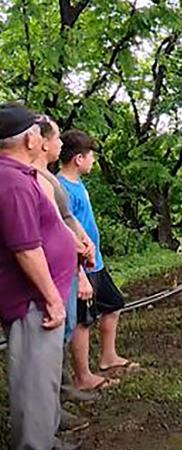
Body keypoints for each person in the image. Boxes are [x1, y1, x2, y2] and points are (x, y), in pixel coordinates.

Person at [0, 103, 80, 450]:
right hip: (32, 302)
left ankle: (46, 439)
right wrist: (51, 298)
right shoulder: (12, 182)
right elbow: (25, 248)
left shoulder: (20, 175)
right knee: (33, 380)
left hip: (40, 299)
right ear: (31, 139)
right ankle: (34, 445)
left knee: (43, 376)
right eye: (40, 131)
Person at [32, 116, 97, 433]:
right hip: (55, 273)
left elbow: (67, 218)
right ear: (40, 141)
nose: (60, 143)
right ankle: (48, 416)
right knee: (46, 345)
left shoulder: (47, 177)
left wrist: (82, 241)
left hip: (66, 270)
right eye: (56, 138)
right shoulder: (32, 179)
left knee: (66, 329)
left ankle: (59, 396)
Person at [58, 130, 135, 391]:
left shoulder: (78, 183)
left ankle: (108, 356)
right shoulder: (61, 188)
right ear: (78, 158)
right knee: (83, 320)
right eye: (91, 156)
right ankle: (83, 376)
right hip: (80, 267)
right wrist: (79, 274)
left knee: (113, 303)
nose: (93, 161)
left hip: (96, 263)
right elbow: (66, 235)